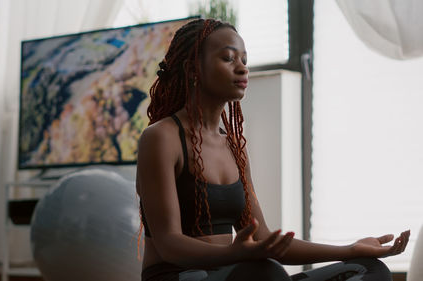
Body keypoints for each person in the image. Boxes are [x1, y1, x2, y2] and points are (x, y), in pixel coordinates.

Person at [135, 18, 410, 281]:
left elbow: (263, 238)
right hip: (174, 275)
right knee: (265, 273)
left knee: (369, 270)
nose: (242, 68)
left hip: (237, 275)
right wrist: (234, 254)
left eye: (244, 59)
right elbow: (169, 244)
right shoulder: (161, 138)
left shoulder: (233, 147)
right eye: (228, 58)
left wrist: (349, 249)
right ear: (193, 69)